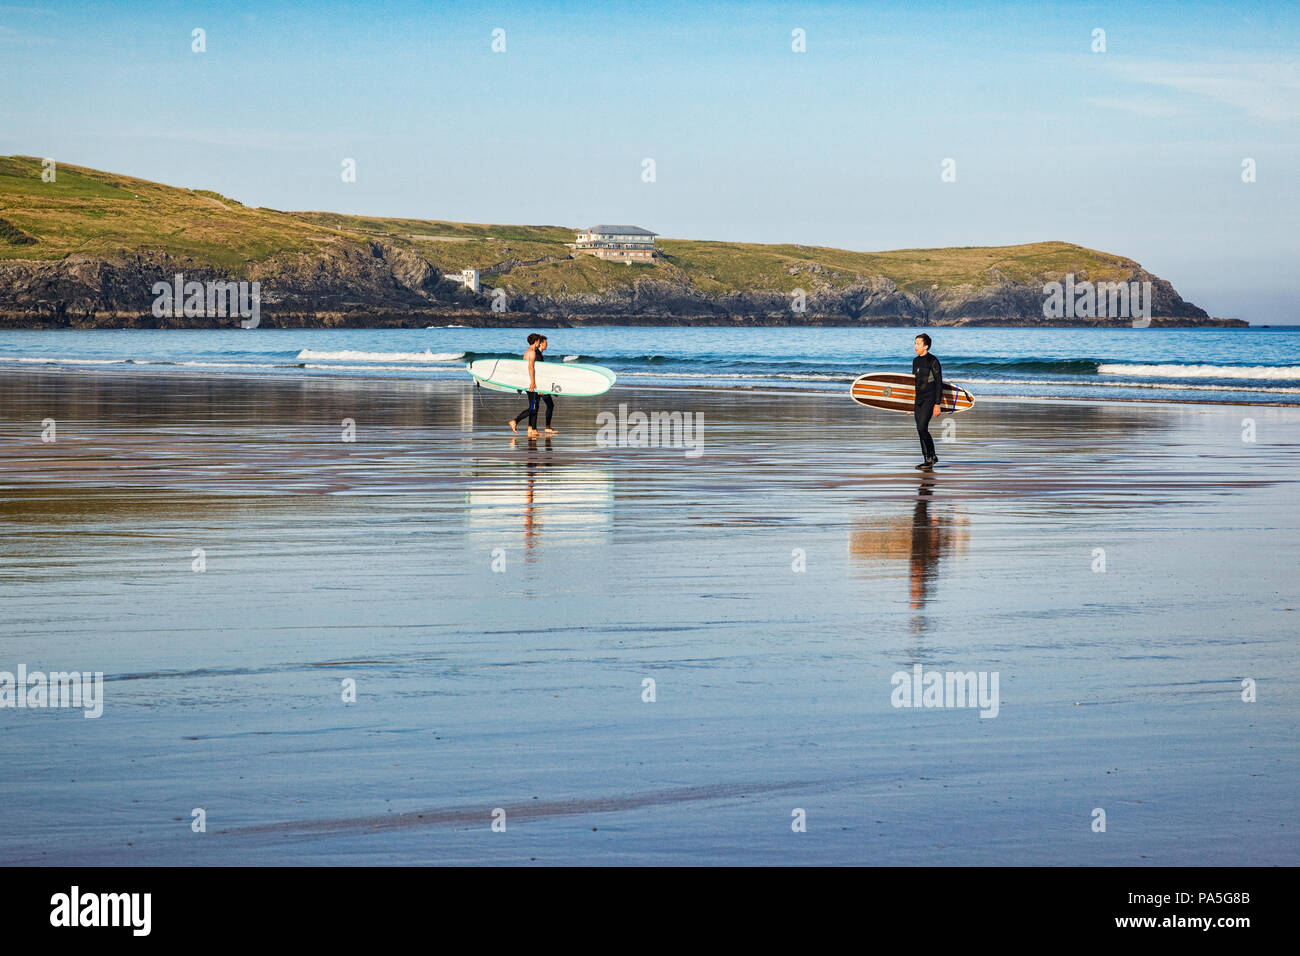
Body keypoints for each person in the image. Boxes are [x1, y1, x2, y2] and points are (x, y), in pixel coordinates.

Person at [509, 333, 557, 438]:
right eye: (539, 341)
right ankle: (516, 421)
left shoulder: (527, 352)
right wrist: (533, 382)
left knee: (533, 406)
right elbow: (530, 368)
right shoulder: (532, 353)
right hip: (531, 384)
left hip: (527, 383)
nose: (539, 343)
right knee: (533, 408)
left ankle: (531, 429)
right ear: (536, 342)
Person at [911, 334, 943, 470]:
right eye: (915, 343)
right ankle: (927, 460)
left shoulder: (933, 361)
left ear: (926, 346)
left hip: (930, 399)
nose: (915, 346)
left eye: (918, 344)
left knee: (921, 427)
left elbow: (939, 383)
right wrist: (908, 404)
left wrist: (937, 404)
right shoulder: (915, 361)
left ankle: (932, 456)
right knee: (920, 429)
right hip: (918, 399)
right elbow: (914, 383)